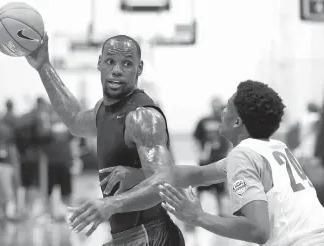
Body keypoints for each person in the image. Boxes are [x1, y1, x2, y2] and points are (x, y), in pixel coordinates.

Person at [24, 34, 184, 245]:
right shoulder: (103, 110)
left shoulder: (142, 117)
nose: (117, 69)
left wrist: (111, 204)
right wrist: (44, 66)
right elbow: (75, 121)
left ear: (140, 68)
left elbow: (164, 183)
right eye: (110, 61)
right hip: (128, 236)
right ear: (99, 63)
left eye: (127, 63)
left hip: (151, 235)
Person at [155, 80, 324, 245]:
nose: (222, 113)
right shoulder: (276, 147)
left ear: (237, 122)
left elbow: (257, 230)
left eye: (227, 109)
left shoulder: (242, 155)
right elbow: (199, 174)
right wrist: (146, 172)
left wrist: (198, 216)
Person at [193, 96, 230, 216]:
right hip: (206, 160)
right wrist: (200, 153)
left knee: (220, 188)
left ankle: (221, 212)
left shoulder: (226, 121)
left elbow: (230, 139)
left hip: (220, 159)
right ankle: (195, 211)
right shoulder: (204, 120)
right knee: (201, 187)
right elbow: (195, 138)